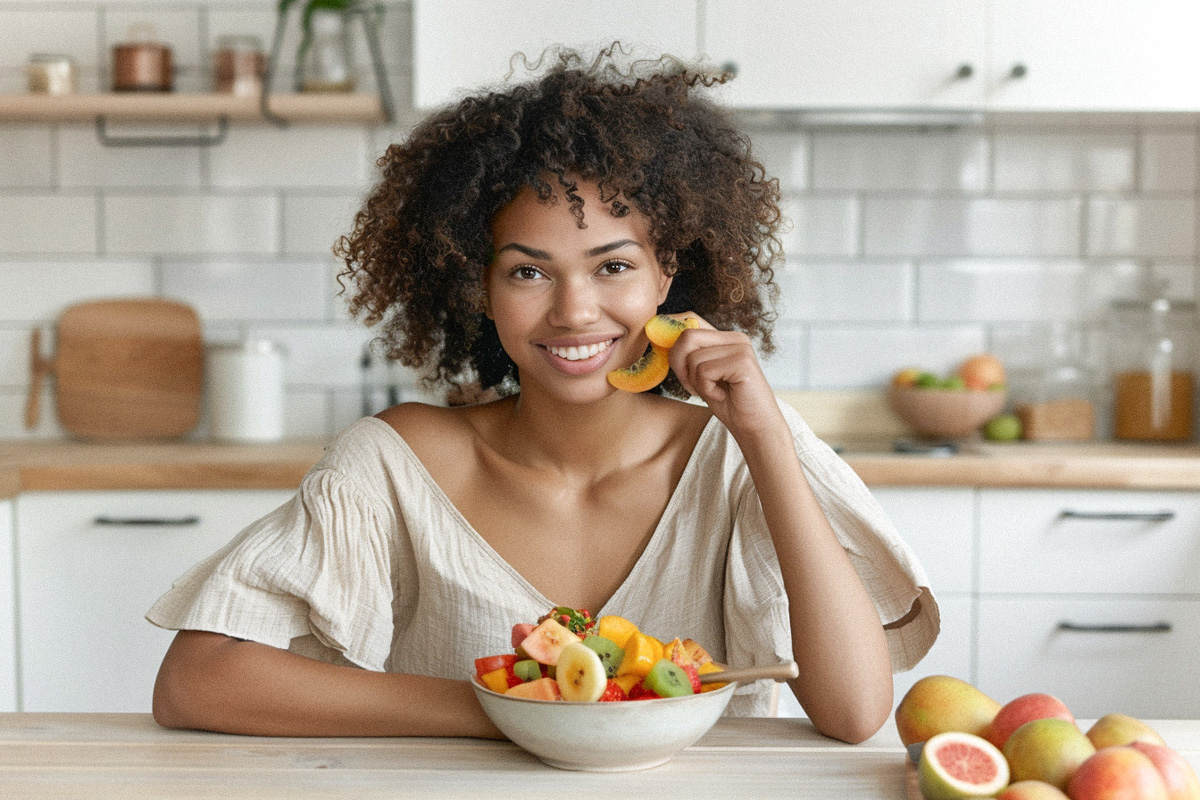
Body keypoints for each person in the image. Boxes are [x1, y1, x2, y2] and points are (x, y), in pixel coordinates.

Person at [147, 46, 937, 744]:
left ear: (667, 272)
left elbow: (856, 710)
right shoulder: (399, 462)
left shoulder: (742, 448)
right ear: (480, 288)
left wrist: (766, 439)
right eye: (528, 271)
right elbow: (197, 679)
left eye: (613, 267)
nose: (574, 311)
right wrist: (516, 705)